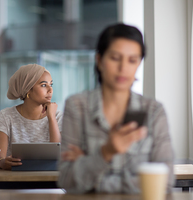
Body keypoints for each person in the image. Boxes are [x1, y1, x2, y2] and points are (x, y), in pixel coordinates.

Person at [58, 24, 174, 193]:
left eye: (132, 60)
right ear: (99, 60)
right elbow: (67, 180)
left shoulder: (154, 111)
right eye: (115, 58)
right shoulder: (77, 106)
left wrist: (89, 165)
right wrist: (106, 152)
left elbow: (165, 182)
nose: (123, 68)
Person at [0, 64, 62, 170]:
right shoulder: (6, 116)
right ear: (28, 89)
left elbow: (58, 155)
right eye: (44, 85)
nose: (50, 90)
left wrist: (51, 118)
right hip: (14, 181)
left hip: (49, 182)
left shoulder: (58, 116)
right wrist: (3, 163)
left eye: (51, 85)